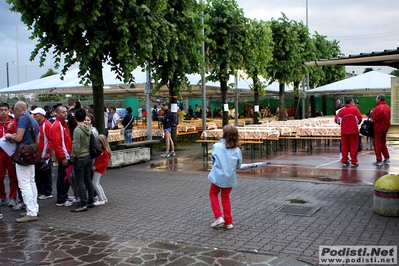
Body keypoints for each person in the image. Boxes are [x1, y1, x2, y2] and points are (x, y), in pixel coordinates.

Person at [5, 101, 40, 223]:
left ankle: (31, 212)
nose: (14, 113)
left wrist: (10, 137)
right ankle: (34, 208)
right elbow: (38, 137)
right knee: (31, 182)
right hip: (31, 152)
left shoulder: (23, 119)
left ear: (19, 109)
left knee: (24, 184)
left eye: (14, 111)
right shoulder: (33, 119)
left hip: (23, 154)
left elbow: (19, 138)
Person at [208, 125, 242, 230]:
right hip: (230, 177)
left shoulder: (217, 146)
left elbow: (213, 160)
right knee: (225, 197)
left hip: (218, 176)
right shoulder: (237, 150)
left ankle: (218, 217)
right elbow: (238, 165)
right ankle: (228, 221)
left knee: (213, 194)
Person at [70, 108, 95, 212]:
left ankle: (83, 203)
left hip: (80, 157)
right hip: (88, 156)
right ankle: (91, 199)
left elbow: (76, 146)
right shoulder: (88, 128)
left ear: (75, 118)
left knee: (80, 181)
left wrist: (72, 157)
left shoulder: (77, 130)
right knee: (88, 179)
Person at [51, 106, 73, 207]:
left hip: (67, 154)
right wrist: (63, 157)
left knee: (66, 176)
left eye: (66, 111)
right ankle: (61, 199)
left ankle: (64, 195)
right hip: (65, 156)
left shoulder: (63, 124)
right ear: (58, 114)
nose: (66, 113)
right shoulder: (57, 125)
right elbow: (58, 143)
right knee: (63, 177)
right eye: (63, 112)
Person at [31, 107, 54, 200]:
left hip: (44, 154)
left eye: (36, 114)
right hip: (39, 154)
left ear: (41, 115)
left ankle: (47, 192)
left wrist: (48, 152)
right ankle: (41, 191)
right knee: (39, 173)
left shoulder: (47, 125)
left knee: (45, 174)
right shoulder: (38, 124)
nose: (34, 115)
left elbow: (50, 139)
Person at [335, 98, 362, 167]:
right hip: (353, 131)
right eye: (353, 102)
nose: (354, 103)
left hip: (344, 131)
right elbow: (360, 119)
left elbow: (336, 119)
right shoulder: (355, 109)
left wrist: (342, 124)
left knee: (344, 147)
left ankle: (344, 161)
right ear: (351, 102)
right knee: (354, 147)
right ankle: (354, 162)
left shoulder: (342, 111)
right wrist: (357, 123)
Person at [0, 102, 18, 207]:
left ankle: (13, 197)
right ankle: (2, 196)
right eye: (1, 110)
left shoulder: (13, 122)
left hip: (10, 153)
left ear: (8, 110)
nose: (3, 112)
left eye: (5, 110)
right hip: (0, 154)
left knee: (12, 176)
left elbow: (18, 135)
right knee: (0, 176)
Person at [371, 94, 391, 166]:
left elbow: (373, 118)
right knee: (383, 143)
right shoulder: (388, 108)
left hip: (378, 128)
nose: (376, 100)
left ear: (379, 99)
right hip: (385, 128)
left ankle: (379, 160)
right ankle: (386, 157)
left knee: (377, 144)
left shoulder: (378, 108)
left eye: (376, 98)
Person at [92, 134, 111, 206]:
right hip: (99, 169)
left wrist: (96, 167)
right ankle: (103, 198)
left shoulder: (104, 152)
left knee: (95, 183)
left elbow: (105, 163)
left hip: (99, 169)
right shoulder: (102, 151)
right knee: (97, 183)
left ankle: (101, 199)